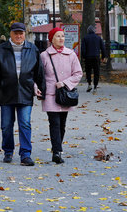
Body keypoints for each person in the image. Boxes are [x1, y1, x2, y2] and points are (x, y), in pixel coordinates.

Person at [0, 22, 45, 166]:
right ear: (10, 34)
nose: (18, 36)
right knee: (6, 125)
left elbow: (39, 72)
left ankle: (25, 154)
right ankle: (8, 150)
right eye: (16, 33)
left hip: (25, 91)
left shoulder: (32, 49)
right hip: (7, 91)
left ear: (25, 34)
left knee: (25, 123)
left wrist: (41, 90)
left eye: (21, 33)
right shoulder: (1, 50)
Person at [39, 27, 83, 164]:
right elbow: (39, 76)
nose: (61, 38)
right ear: (51, 39)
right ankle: (57, 152)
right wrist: (37, 89)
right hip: (50, 95)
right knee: (55, 123)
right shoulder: (44, 55)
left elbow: (78, 73)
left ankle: (56, 148)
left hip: (65, 94)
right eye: (58, 36)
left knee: (62, 124)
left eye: (62, 36)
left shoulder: (71, 54)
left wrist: (65, 83)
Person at [81, 25, 107, 92]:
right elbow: (103, 48)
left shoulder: (85, 38)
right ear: (94, 31)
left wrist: (83, 57)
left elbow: (83, 49)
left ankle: (89, 84)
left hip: (88, 57)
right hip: (96, 57)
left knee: (88, 71)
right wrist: (103, 56)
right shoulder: (98, 38)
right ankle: (95, 87)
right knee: (96, 72)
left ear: (88, 31)